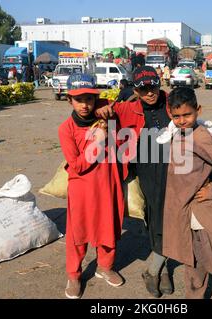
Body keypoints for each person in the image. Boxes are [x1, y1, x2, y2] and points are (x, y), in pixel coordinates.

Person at [96, 66, 174, 298]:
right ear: (136, 90)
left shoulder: (170, 101)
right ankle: (159, 267)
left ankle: (158, 265)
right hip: (147, 169)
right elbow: (98, 105)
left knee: (171, 216)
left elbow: (190, 113)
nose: (150, 93)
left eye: (154, 87)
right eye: (144, 89)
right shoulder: (128, 107)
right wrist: (104, 109)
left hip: (176, 166)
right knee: (156, 214)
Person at [162, 87, 212, 299]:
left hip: (200, 213)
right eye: (176, 116)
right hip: (185, 213)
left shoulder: (199, 137)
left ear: (198, 110)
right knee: (193, 263)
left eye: (187, 115)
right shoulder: (178, 133)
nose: (182, 120)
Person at [58, 73, 125, 299]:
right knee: (78, 233)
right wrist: (98, 141)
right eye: (79, 99)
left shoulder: (106, 117)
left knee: (109, 227)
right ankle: (74, 275)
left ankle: (105, 267)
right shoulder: (66, 129)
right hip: (82, 189)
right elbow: (77, 165)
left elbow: (126, 103)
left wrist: (107, 108)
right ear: (69, 100)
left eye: (89, 99)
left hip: (108, 183)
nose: (85, 104)